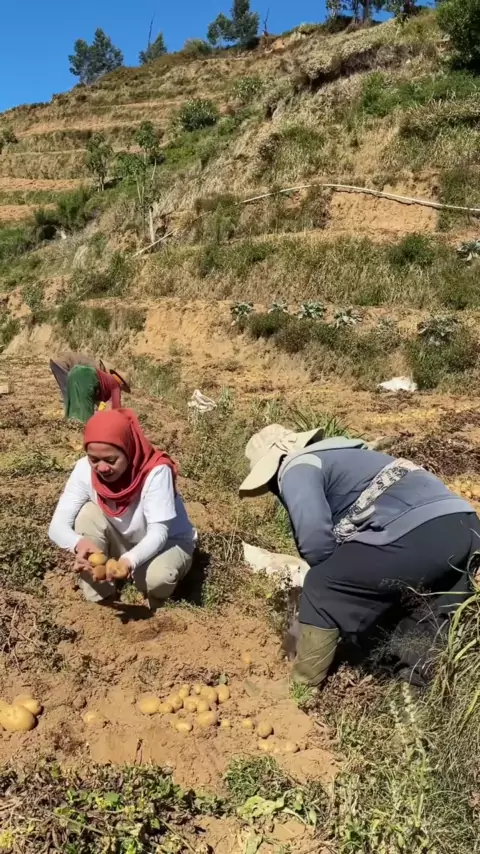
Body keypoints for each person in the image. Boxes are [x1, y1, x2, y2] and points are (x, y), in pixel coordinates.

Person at [239, 424, 480, 687]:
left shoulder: (295, 467)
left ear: (273, 469)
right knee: (426, 609)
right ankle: (413, 691)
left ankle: (302, 687)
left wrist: (317, 609)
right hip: (466, 526)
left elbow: (315, 542)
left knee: (321, 584)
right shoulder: (345, 455)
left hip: (417, 531)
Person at [48, 408, 195, 608]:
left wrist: (128, 561)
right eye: (94, 459)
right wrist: (79, 544)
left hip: (168, 543)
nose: (101, 468)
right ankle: (101, 601)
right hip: (123, 539)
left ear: (128, 449)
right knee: (87, 514)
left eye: (111, 460)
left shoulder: (155, 472)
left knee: (157, 578)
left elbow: (159, 533)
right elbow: (57, 526)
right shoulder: (84, 470)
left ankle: (155, 602)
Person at [65, 364, 130, 423]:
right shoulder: (116, 386)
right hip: (87, 376)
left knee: (73, 405)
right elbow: (116, 408)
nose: (121, 390)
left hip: (73, 372)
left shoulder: (106, 378)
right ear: (122, 384)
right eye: (123, 389)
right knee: (84, 416)